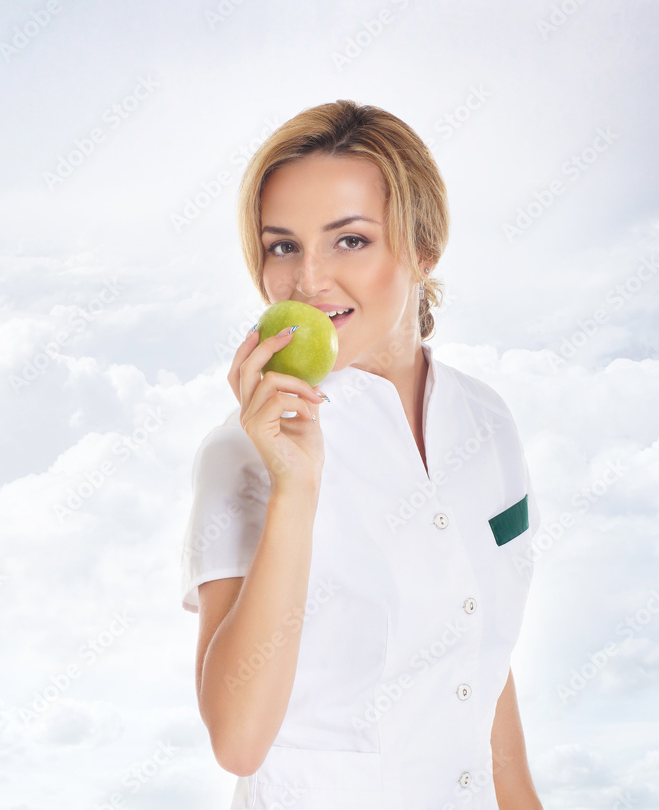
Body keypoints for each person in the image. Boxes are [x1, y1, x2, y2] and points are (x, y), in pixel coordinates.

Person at [180, 100, 544, 809]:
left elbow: (478, 658)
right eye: (282, 245)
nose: (310, 281)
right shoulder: (241, 454)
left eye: (349, 241)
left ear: (422, 246)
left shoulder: (487, 422)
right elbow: (238, 741)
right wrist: (294, 491)